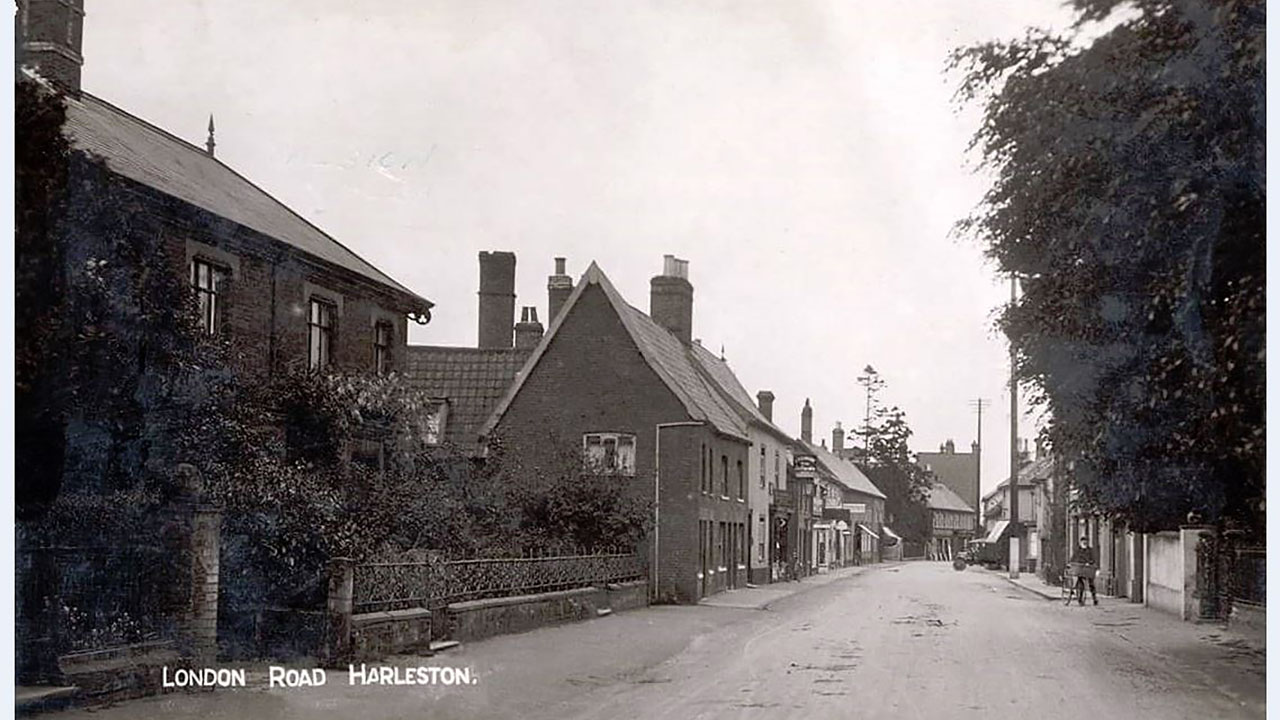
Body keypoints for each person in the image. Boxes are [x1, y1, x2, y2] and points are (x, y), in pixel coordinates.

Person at [1070, 536, 1098, 606]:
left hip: (1088, 568)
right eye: (1083, 541)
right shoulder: (1077, 550)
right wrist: (1072, 564)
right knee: (1080, 582)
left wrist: (1090, 562)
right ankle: (1080, 598)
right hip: (1080, 568)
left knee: (1091, 583)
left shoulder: (1090, 550)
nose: (1084, 542)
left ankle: (1094, 598)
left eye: (1086, 541)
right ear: (1081, 542)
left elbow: (1093, 559)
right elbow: (1073, 558)